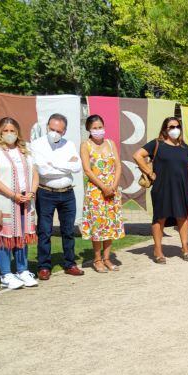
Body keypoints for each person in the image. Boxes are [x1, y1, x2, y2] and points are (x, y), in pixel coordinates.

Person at [30, 113, 85, 280]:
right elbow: (42, 170)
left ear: (64, 131)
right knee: (45, 231)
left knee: (68, 231)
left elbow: (76, 167)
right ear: (47, 127)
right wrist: (65, 166)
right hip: (46, 192)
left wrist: (54, 164)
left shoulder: (69, 144)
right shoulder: (37, 144)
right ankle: (44, 266)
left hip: (67, 192)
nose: (54, 133)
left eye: (58, 130)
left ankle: (70, 263)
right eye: (52, 129)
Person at [0, 117, 39, 290]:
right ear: (0, 132)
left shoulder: (25, 150)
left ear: (18, 133)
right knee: (5, 236)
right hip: (5, 199)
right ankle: (6, 274)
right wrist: (13, 194)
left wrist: (31, 192)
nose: (9, 134)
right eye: (6, 131)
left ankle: (22, 270)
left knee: (22, 234)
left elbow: (35, 173)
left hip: (25, 199)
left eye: (13, 131)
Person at [133, 117, 188, 263]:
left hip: (182, 187)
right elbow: (137, 155)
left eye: (177, 126)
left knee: (182, 217)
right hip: (162, 187)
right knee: (160, 217)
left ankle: (185, 247)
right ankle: (158, 249)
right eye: (171, 127)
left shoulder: (184, 147)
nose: (175, 129)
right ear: (165, 130)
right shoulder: (157, 144)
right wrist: (149, 172)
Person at [80, 115, 125, 272]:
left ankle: (107, 258)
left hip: (112, 191)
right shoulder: (86, 145)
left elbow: (118, 166)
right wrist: (103, 187)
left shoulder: (111, 144)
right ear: (89, 129)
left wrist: (113, 186)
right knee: (98, 225)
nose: (98, 130)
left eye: (100, 127)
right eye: (95, 128)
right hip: (96, 192)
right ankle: (97, 259)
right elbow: (87, 170)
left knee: (110, 224)